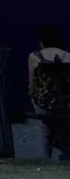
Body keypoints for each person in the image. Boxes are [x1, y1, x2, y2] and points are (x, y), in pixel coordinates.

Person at [30, 25, 70, 159]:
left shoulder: (34, 56)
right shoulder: (67, 56)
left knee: (44, 126)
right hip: (64, 103)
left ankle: (45, 157)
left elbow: (32, 83)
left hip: (43, 103)